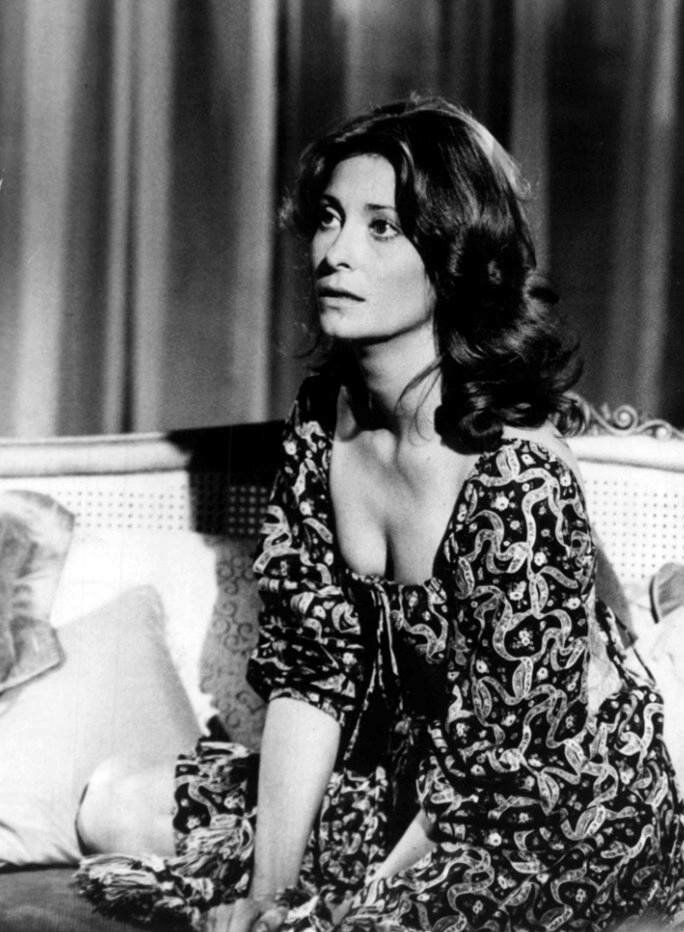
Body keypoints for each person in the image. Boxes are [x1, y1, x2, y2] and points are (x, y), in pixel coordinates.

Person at [74, 96, 684, 932]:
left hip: (543, 800)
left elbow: (500, 759)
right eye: (329, 218)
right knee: (113, 809)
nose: (335, 252)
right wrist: (269, 894)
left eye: (382, 227)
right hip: (405, 773)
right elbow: (312, 679)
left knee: (369, 924)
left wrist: (347, 907)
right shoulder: (321, 421)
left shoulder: (518, 472)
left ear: (455, 256)